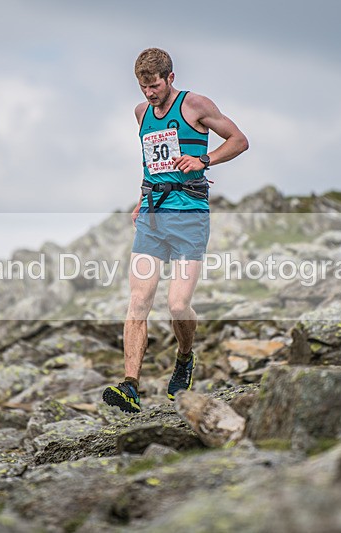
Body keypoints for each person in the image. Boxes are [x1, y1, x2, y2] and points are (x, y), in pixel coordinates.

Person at [103, 48, 249, 413]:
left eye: (154, 86)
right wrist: (142, 196)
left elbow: (239, 140)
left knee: (177, 304)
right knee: (138, 301)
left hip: (190, 216)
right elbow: (151, 161)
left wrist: (204, 159)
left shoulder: (195, 105)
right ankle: (130, 386)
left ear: (170, 78)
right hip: (152, 217)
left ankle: (185, 356)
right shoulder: (141, 114)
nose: (149, 94)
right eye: (143, 87)